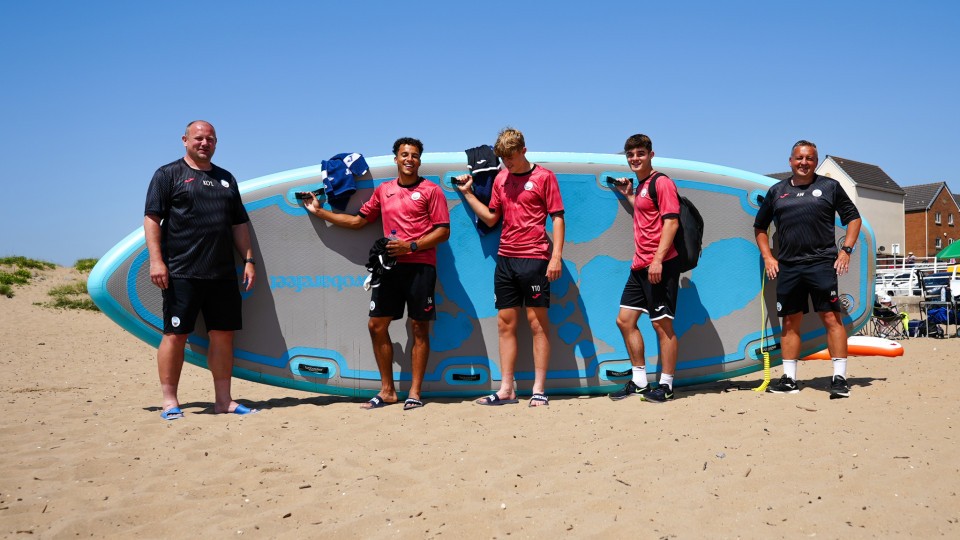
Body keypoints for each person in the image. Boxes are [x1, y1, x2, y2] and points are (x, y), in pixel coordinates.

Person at [300, 138, 450, 410]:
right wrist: (320, 212)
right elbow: (358, 221)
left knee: (419, 328)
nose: (409, 159)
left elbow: (443, 231)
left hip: (421, 266)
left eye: (414, 155)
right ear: (396, 159)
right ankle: (388, 391)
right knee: (376, 326)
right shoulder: (384, 190)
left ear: (419, 160)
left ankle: (415, 393)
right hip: (389, 267)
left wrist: (411, 246)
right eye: (404, 154)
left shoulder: (431, 190)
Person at [144, 120, 258, 420]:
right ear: (185, 140)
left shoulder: (226, 179)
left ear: (216, 143)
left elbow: (239, 223)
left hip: (222, 274)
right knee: (175, 335)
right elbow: (152, 219)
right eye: (198, 138)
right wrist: (156, 261)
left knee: (223, 336)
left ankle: (223, 401)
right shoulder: (168, 174)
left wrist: (248, 260)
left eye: (210, 139)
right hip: (181, 271)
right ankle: (170, 402)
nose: (204, 143)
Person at [454, 127, 565, 407]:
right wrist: (468, 194)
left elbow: (557, 218)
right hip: (505, 259)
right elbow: (492, 218)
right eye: (503, 159)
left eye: (511, 158)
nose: (507, 163)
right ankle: (507, 389)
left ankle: (539, 389)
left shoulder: (544, 177)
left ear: (523, 151)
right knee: (505, 324)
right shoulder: (501, 178)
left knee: (537, 324)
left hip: (535, 258)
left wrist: (556, 257)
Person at [754, 140, 862, 398]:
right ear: (790, 161)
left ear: (815, 162)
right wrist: (768, 257)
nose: (804, 162)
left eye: (809, 158)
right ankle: (789, 380)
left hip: (821, 264)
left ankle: (839, 379)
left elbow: (854, 218)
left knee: (831, 318)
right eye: (799, 158)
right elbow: (759, 227)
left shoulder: (829, 187)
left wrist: (846, 251)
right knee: (790, 321)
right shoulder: (777, 191)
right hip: (789, 266)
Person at [606, 134, 681, 404]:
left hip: (660, 265)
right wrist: (629, 195)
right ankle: (639, 382)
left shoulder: (662, 182)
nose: (635, 158)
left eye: (640, 153)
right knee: (625, 321)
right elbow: (645, 214)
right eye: (631, 154)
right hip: (639, 266)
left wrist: (658, 260)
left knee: (662, 326)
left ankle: (666, 386)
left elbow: (671, 222)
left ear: (651, 155)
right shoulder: (643, 186)